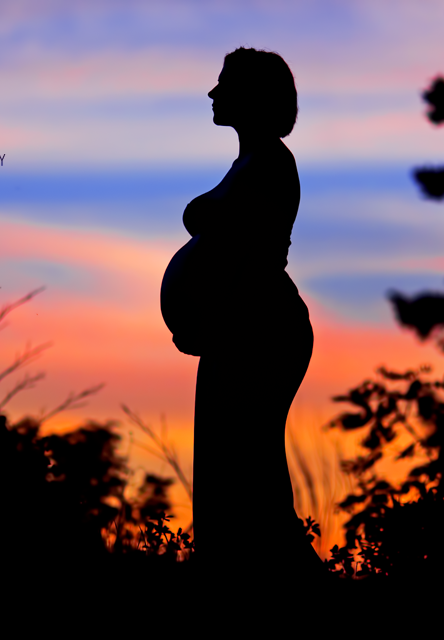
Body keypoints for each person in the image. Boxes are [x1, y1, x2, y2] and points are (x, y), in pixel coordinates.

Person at [160, 47, 326, 584]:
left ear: (252, 96)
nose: (213, 93)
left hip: (259, 331)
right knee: (230, 470)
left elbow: (247, 258)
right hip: (240, 330)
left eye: (225, 84)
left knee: (246, 472)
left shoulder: (271, 163)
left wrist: (211, 317)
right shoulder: (253, 163)